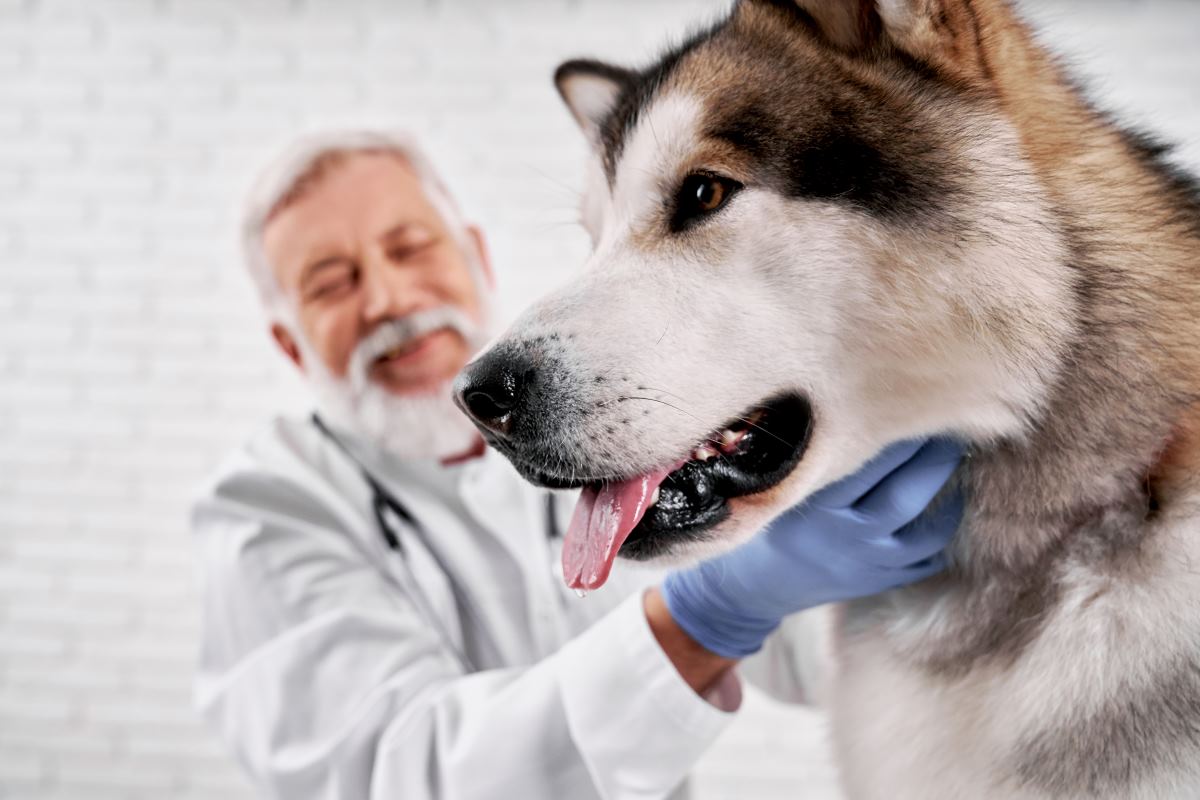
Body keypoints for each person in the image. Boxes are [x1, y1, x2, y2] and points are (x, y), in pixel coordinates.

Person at [191, 130, 962, 800]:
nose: (389, 298)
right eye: (332, 284)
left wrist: (895, 555)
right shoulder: (265, 513)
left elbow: (810, 661)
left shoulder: (597, 432)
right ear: (290, 344)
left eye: (409, 247)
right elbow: (406, 776)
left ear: (477, 256)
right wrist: (710, 613)